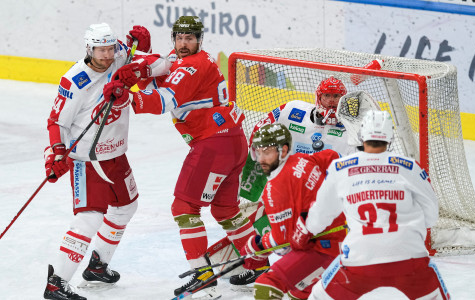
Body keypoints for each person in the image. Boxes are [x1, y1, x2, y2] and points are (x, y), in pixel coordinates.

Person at [104, 16, 256, 298]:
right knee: (225, 210)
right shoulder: (185, 60)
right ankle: (258, 264)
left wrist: (128, 96)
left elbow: (163, 100)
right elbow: (163, 67)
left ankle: (203, 276)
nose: (184, 44)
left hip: (214, 143)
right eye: (180, 38)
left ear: (200, 40)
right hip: (233, 141)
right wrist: (140, 61)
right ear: (174, 38)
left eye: (190, 38)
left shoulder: (193, 66)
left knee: (183, 207)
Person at [42, 23, 167, 300]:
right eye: (101, 49)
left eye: (111, 48)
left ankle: (97, 266)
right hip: (87, 159)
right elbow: (56, 122)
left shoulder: (121, 54)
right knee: (89, 218)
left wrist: (138, 65)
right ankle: (57, 282)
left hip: (116, 156)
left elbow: (163, 64)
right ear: (89, 49)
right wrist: (56, 154)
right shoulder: (75, 80)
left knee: (126, 207)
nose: (108, 55)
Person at [298, 110, 451, 300]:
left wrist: (305, 231)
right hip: (410, 259)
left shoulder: (340, 167)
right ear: (390, 137)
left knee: (317, 297)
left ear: (361, 136)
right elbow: (432, 216)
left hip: (358, 261)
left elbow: (318, 219)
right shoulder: (410, 166)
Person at [231, 76, 356, 286]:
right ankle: (262, 267)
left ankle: (310, 270)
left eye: (337, 96)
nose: (332, 101)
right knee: (261, 218)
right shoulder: (293, 111)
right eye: (328, 96)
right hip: (289, 185)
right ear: (319, 97)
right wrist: (261, 160)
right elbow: (262, 128)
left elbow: (351, 170)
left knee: (296, 238)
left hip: (321, 198)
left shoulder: (350, 132)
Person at [236, 123, 347, 300]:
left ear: (283, 150)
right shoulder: (302, 159)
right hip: (344, 239)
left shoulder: (275, 189)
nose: (261, 159)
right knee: (298, 292)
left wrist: (257, 246)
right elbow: (331, 156)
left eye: (268, 152)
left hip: (324, 250)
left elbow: (286, 244)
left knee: (267, 285)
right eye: (259, 152)